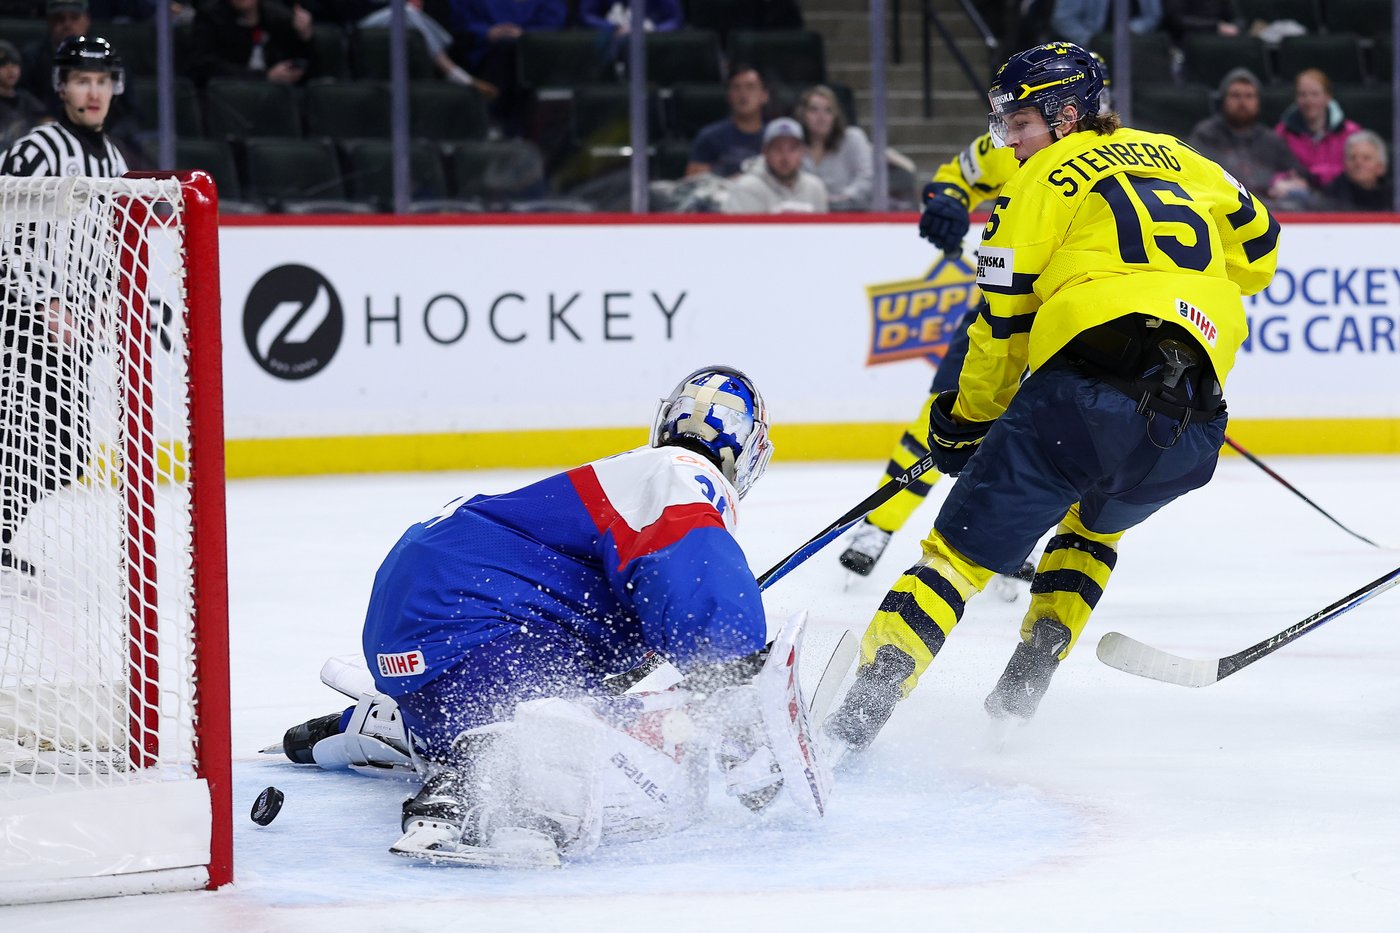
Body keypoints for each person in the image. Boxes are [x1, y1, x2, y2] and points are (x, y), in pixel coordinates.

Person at [822, 41, 1279, 755]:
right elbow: (1262, 249)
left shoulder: (1040, 180)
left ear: (1067, 116)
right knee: (1092, 530)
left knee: (955, 558)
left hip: (1083, 400)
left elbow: (1000, 330)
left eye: (1020, 122)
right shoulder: (1181, 156)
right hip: (1190, 429)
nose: (1008, 138)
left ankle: (851, 723)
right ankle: (1019, 699)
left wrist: (965, 422)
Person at [276, 367, 830, 866]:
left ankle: (411, 726)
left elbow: (623, 595)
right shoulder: (684, 472)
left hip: (433, 622)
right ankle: (474, 772)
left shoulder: (639, 470)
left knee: (566, 709)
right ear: (751, 450)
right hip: (475, 622)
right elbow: (691, 567)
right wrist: (731, 678)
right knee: (623, 767)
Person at [837, 51, 1111, 581]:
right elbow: (957, 175)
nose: (1011, 135)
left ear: (1071, 109)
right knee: (951, 410)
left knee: (1053, 435)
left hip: (1081, 320)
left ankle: (1015, 535)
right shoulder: (1023, 133)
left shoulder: (1119, 157)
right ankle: (881, 521)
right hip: (1011, 310)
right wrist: (944, 200)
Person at [1, 35, 128, 575]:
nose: (93, 92)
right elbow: (10, 231)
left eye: (101, 81)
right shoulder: (39, 149)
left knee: (67, 450)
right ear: (61, 88)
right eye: (82, 80)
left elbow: (106, 243)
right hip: (21, 314)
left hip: (73, 324)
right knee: (20, 434)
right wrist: (46, 300)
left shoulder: (115, 157)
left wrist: (104, 303)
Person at [1187, 67, 1310, 209]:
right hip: (1221, 208)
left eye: (1249, 96)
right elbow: (1194, 176)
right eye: (1235, 95)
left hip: (1267, 211)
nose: (1242, 102)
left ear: (1258, 102)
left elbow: (1298, 177)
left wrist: (1286, 183)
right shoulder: (1206, 135)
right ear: (1223, 100)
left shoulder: (1270, 139)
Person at [356, 0, 498, 97]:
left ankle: (450, 69)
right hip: (359, 27)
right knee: (405, 11)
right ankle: (457, 75)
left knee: (410, 12)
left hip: (400, 24)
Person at [188, 0, 315, 87]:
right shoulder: (209, 18)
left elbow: (305, 69)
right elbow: (205, 67)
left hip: (274, 101)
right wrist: (265, 77)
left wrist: (304, 37)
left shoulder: (277, 17)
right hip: (230, 100)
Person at [1274, 69, 1359, 189]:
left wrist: (1312, 176)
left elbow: (1356, 169)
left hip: (1342, 197)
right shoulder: (1282, 132)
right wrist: (1283, 181)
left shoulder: (1350, 132)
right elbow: (1272, 170)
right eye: (1302, 94)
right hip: (1297, 200)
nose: (1309, 101)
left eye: (1315, 94)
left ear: (1328, 97)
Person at [723, 116, 827, 214]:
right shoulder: (746, 188)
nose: (785, 157)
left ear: (802, 152)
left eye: (792, 149)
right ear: (765, 152)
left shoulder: (815, 188)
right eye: (778, 149)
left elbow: (823, 231)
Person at [794, 84, 873, 211]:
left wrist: (840, 201)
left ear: (836, 115)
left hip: (850, 215)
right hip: (805, 216)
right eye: (814, 110)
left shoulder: (853, 138)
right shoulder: (793, 144)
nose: (821, 117)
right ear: (803, 113)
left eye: (828, 110)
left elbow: (866, 179)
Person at [686, 64, 768, 179]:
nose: (743, 94)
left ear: (764, 95)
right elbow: (694, 185)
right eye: (736, 87)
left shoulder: (775, 137)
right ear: (728, 96)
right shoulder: (710, 137)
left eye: (750, 87)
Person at [19, 0, 89, 114]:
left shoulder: (105, 55)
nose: (67, 25)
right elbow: (23, 101)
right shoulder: (31, 58)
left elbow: (126, 109)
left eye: (74, 18)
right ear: (49, 22)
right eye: (60, 19)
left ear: (87, 20)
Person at [1320, 129, 1391, 212]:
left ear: (1381, 167)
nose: (1358, 163)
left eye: (1366, 158)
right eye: (1352, 158)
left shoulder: (1394, 196)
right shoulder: (1330, 196)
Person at [0, 39, 47, 153]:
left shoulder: (27, 100)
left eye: (15, 64)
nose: (11, 70)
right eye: (3, 65)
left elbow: (47, 124)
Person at [1051, 0, 1160, 48]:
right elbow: (1063, 19)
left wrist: (1134, 29)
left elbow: (1153, 15)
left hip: (1135, 47)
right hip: (1089, 48)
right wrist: (1092, 40)